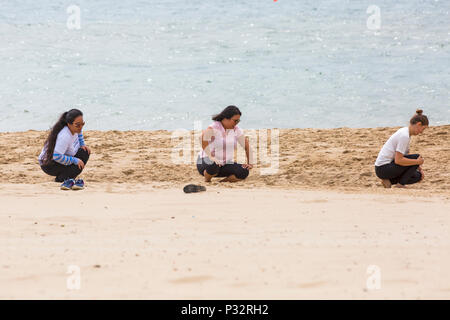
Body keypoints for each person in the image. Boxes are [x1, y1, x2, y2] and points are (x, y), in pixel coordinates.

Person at [197, 105, 254, 182]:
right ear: (226, 118)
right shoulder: (215, 127)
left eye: (238, 121)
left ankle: (221, 182)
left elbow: (247, 147)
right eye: (235, 121)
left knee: (244, 171)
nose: (237, 123)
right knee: (213, 164)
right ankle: (207, 179)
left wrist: (250, 163)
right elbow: (202, 139)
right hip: (206, 162)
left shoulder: (236, 130)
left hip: (224, 164)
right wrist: (211, 156)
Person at [38, 109, 91, 190]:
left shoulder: (76, 128)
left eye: (82, 124)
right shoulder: (65, 136)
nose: (80, 127)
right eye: (78, 125)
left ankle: (67, 176)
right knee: (78, 162)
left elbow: (80, 134)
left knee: (85, 152)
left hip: (60, 157)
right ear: (69, 124)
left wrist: (83, 144)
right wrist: (75, 160)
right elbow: (56, 156)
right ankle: (62, 178)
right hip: (48, 164)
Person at [374, 109, 429, 188]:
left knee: (418, 176)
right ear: (418, 124)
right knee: (417, 157)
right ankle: (400, 185)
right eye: (423, 129)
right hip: (383, 168)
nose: (421, 132)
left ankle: (389, 182)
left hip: (383, 168)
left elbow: (405, 157)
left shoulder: (405, 132)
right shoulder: (404, 135)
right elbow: (398, 160)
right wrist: (417, 161)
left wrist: (418, 167)